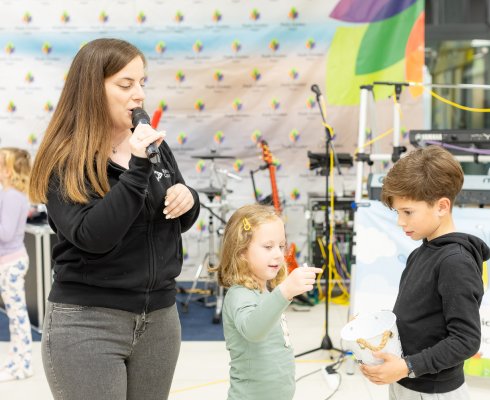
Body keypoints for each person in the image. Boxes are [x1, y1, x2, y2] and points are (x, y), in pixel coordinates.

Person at [29, 38, 200, 400]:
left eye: (142, 82)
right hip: (87, 323)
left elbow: (174, 220)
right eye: (126, 84)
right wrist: (137, 169)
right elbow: (93, 236)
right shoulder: (65, 159)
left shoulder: (153, 147)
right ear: (92, 89)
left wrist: (188, 199)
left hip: (159, 319)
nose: (139, 95)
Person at [360, 146, 490, 400]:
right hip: (407, 380)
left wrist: (408, 366)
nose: (400, 221)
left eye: (408, 212)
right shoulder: (420, 253)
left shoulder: (456, 262)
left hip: (433, 392)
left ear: (442, 206)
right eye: (398, 212)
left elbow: (466, 340)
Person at [217, 204, 323, 400]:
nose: (278, 254)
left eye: (281, 246)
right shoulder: (239, 294)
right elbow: (253, 330)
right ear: (241, 251)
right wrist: (285, 291)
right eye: (268, 247)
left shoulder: (265, 291)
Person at [0, 147, 33, 382]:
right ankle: (16, 361)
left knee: (18, 317)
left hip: (11, 264)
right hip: (9, 262)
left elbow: (5, 233)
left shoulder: (11, 196)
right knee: (15, 316)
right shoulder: (9, 194)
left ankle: (24, 365)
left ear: (9, 171)